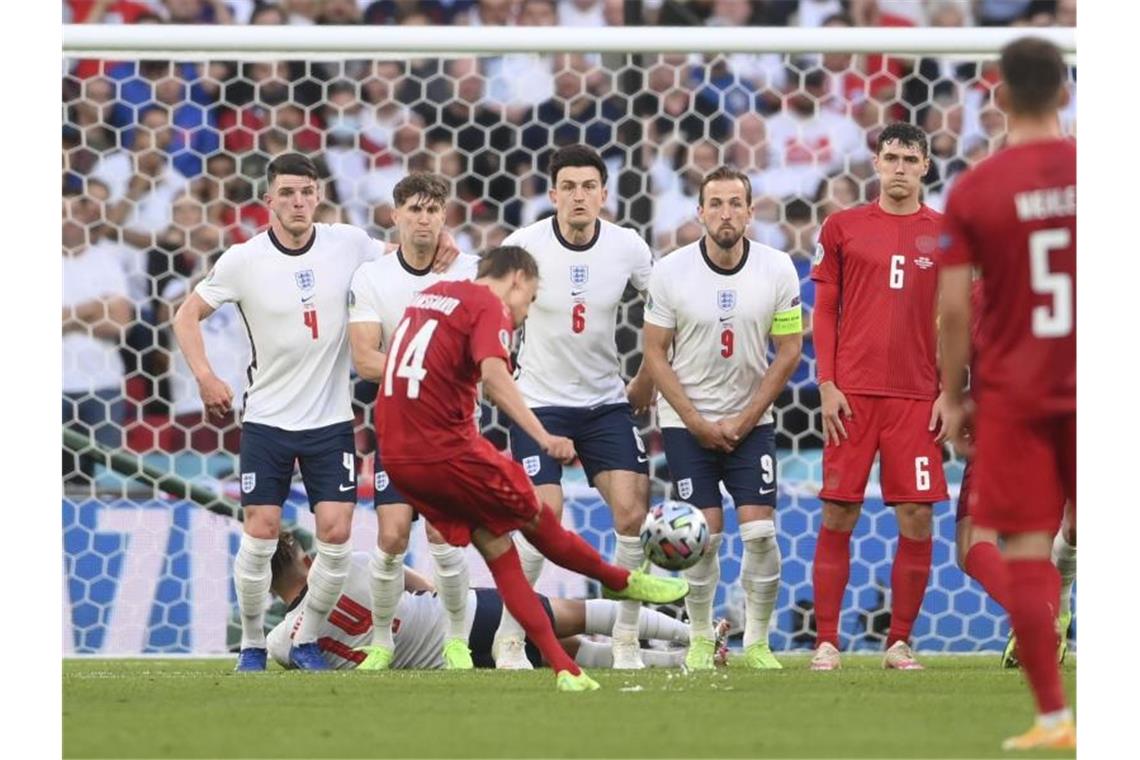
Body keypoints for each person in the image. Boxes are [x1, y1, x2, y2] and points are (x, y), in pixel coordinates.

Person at [371, 245, 688, 691]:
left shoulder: (431, 295)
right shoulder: (487, 304)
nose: (525, 313)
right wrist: (544, 436)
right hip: (448, 453)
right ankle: (620, 580)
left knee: (501, 551)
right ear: (517, 279)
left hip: (399, 458)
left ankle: (563, 667)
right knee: (542, 523)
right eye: (532, 299)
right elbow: (497, 377)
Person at [172, 153, 377, 672]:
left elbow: (399, 260)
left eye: (307, 192)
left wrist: (437, 244)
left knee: (335, 531)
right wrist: (206, 376)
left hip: (330, 419)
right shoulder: (244, 260)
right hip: (266, 418)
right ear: (269, 201)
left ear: (318, 196)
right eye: (287, 193)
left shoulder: (347, 243)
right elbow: (186, 315)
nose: (298, 202)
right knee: (261, 529)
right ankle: (252, 642)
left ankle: (306, 637)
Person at [938, 36, 1076, 750]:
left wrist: (955, 394)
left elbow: (956, 308)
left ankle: (1054, 719)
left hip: (1018, 395)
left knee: (1023, 548)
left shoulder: (976, 190)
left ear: (997, 95)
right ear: (1064, 91)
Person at [499, 145, 656, 670]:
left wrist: (645, 382)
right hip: (539, 402)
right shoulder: (524, 246)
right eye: (568, 187)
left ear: (604, 194)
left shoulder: (628, 248)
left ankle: (628, 640)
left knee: (633, 515)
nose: (579, 196)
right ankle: (510, 639)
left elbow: (665, 318)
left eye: (589, 186)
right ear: (552, 194)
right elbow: (491, 314)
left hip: (604, 403)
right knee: (543, 517)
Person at [642, 167, 803, 670]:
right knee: (702, 540)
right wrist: (695, 420)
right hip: (686, 425)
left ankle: (756, 642)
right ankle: (699, 639)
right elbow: (654, 352)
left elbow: (789, 350)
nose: (726, 213)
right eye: (716, 203)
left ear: (751, 212)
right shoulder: (670, 271)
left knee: (760, 535)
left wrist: (747, 416)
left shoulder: (778, 269)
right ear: (700, 212)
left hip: (750, 423)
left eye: (736, 203)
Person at [809, 122, 949, 672]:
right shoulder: (843, 226)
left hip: (917, 397)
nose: (898, 166)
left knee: (916, 518)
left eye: (908, 158)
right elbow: (823, 310)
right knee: (838, 511)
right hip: (852, 396)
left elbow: (959, 318)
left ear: (924, 167)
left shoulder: (944, 233)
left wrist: (950, 392)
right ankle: (826, 642)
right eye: (890, 156)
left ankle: (899, 642)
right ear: (876, 162)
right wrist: (826, 382)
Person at [347, 173, 480, 670]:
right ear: (395, 215)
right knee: (391, 537)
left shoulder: (470, 272)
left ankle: (456, 642)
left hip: (454, 427)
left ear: (445, 217)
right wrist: (432, 368)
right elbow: (364, 358)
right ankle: (381, 642)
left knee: (446, 537)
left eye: (432, 210)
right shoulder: (373, 278)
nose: (423, 219)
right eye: (414, 210)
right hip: (400, 426)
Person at [265, 532, 704, 671]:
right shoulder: (342, 565)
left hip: (435, 665)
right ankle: (694, 636)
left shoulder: (281, 643)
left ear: (266, 590)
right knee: (567, 616)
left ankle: (677, 659)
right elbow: (405, 577)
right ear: (306, 560)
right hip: (458, 619)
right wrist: (434, 593)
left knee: (564, 653)